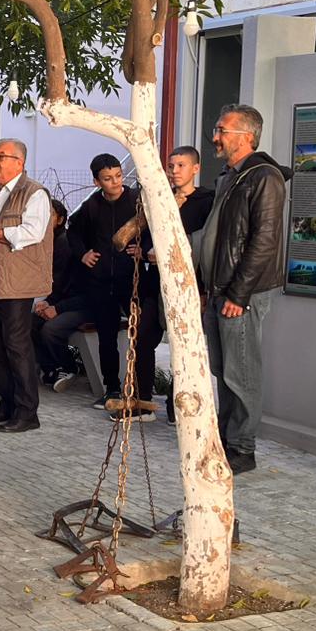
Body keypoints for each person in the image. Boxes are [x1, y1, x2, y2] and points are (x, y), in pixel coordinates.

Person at [198, 105, 289, 474]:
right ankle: (225, 439)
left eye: (222, 130)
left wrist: (239, 294)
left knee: (242, 371)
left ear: (247, 137)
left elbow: (264, 242)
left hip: (241, 293)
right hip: (220, 288)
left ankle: (242, 448)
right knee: (224, 369)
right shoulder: (231, 176)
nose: (215, 137)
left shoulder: (263, 177)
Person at [0, 139, 54, 433]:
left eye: (1, 157)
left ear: (19, 162)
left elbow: (32, 231)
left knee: (16, 345)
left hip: (16, 281)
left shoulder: (34, 193)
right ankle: (7, 403)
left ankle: (27, 411)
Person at [146, 145, 216, 423]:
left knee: (186, 347)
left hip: (190, 283)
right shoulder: (161, 198)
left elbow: (205, 243)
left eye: (181, 166)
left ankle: (181, 404)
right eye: (171, 166)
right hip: (157, 281)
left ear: (195, 168)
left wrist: (203, 288)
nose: (174, 171)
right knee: (148, 339)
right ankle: (143, 399)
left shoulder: (207, 201)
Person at [60, 155, 137, 399]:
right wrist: (83, 254)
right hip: (101, 282)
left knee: (141, 335)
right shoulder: (91, 206)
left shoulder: (136, 200)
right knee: (107, 337)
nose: (115, 182)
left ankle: (139, 389)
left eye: (118, 176)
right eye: (108, 178)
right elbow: (73, 232)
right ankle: (111, 389)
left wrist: (143, 249)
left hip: (132, 280)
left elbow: (155, 231)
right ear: (96, 181)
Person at [31, 200, 73, 385]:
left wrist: (50, 302)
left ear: (60, 219)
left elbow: (61, 279)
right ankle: (48, 368)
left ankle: (63, 367)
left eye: (51, 215)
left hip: (64, 299)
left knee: (43, 326)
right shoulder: (41, 239)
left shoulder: (63, 242)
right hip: (47, 296)